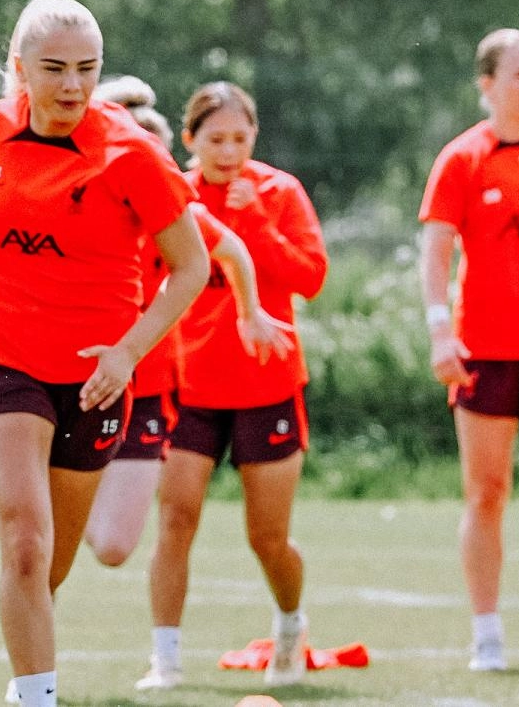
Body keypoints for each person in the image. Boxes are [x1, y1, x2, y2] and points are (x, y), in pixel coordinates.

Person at [0, 0, 211, 707]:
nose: (72, 86)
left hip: (97, 378)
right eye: (53, 68)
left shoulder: (130, 151)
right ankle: (36, 699)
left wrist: (127, 354)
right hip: (3, 360)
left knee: (47, 564)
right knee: (25, 544)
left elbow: (192, 267)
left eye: (87, 69)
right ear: (19, 67)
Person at [138, 81, 328, 691]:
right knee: (176, 520)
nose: (229, 151)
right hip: (188, 388)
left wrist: (256, 224)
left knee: (267, 537)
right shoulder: (171, 193)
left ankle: (291, 627)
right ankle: (164, 659)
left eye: (241, 138)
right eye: (215, 139)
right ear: (189, 138)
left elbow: (311, 277)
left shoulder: (280, 192)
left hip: (267, 385)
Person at [84, 76, 293, 568]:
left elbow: (233, 252)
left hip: (147, 383)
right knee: (36, 533)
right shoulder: (77, 202)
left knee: (113, 547)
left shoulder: (173, 211)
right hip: (71, 371)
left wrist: (250, 312)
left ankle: (4, 492)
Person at [418, 28, 519, 672]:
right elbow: (435, 256)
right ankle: (487, 631)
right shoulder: (461, 159)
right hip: (485, 350)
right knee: (487, 493)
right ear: (488, 85)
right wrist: (439, 331)